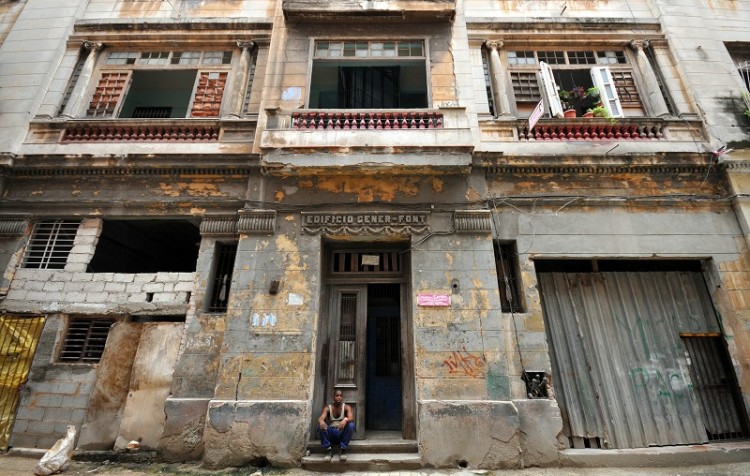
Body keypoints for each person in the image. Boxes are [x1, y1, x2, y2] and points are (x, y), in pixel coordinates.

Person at [317, 389, 355, 462]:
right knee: (320, 426)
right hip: (331, 433)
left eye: (340, 396)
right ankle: (328, 451)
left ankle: (343, 450)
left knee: (351, 425)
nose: (339, 397)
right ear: (333, 397)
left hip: (341, 432)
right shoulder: (328, 408)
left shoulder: (347, 407)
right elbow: (321, 417)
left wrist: (345, 420)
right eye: (337, 396)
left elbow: (351, 417)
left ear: (342, 397)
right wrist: (321, 421)